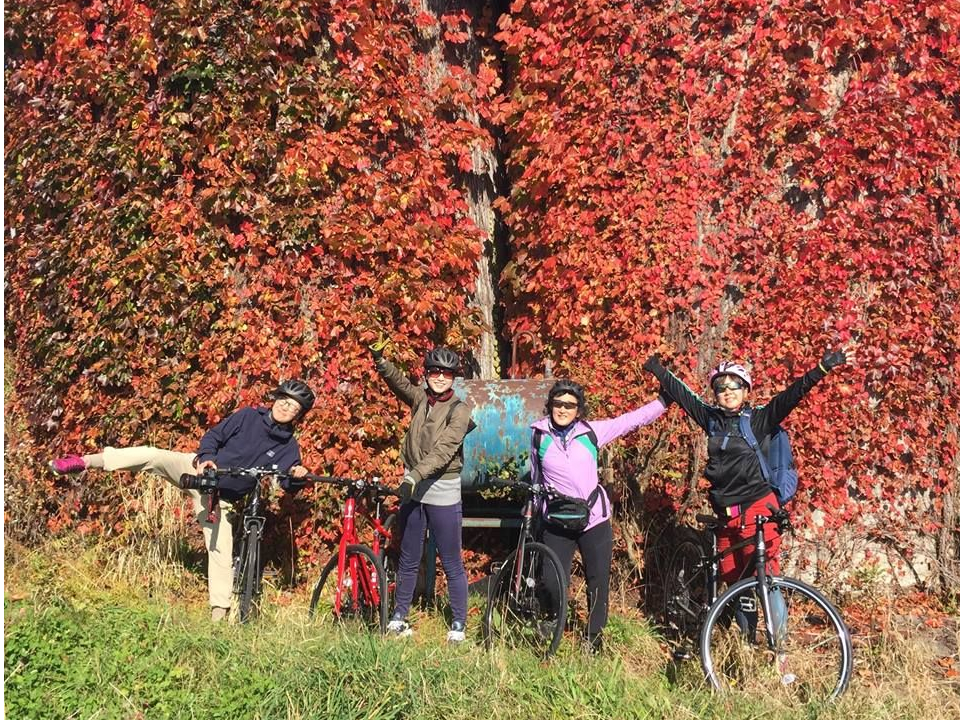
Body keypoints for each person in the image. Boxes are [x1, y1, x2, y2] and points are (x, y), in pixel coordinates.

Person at [48, 379, 315, 622]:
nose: (285, 407)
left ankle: (219, 617)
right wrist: (206, 458)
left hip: (219, 499)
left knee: (221, 549)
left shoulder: (288, 447)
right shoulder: (248, 416)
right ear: (275, 398)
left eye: (293, 407)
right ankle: (84, 461)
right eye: (284, 400)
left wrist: (298, 475)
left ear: (298, 415)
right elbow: (214, 437)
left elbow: (288, 483)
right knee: (153, 456)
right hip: (198, 470)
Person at [642, 349, 852, 586]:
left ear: (746, 390)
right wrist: (657, 368)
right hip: (725, 516)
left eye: (735, 385)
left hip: (757, 509)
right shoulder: (712, 420)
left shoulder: (759, 419)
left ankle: (775, 613)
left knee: (767, 581)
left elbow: (792, 395)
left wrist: (822, 368)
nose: (728, 391)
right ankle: (741, 613)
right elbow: (684, 396)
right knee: (735, 587)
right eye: (720, 387)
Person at [531, 379, 670, 653]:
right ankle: (556, 619)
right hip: (557, 520)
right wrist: (535, 509)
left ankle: (594, 639)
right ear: (550, 405)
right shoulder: (538, 435)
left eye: (570, 405)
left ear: (578, 410)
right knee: (551, 579)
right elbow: (536, 477)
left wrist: (663, 402)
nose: (563, 409)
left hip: (593, 519)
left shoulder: (592, 432)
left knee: (598, 581)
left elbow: (630, 421)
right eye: (558, 403)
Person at [370, 341, 473, 643]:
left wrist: (414, 476)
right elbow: (400, 384)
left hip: (441, 488)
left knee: (450, 560)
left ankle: (458, 623)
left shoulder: (459, 410)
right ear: (426, 374)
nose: (440, 377)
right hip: (414, 487)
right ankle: (399, 616)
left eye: (447, 373)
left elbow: (444, 450)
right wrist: (381, 361)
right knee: (408, 555)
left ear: (454, 377)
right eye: (435, 371)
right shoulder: (421, 399)